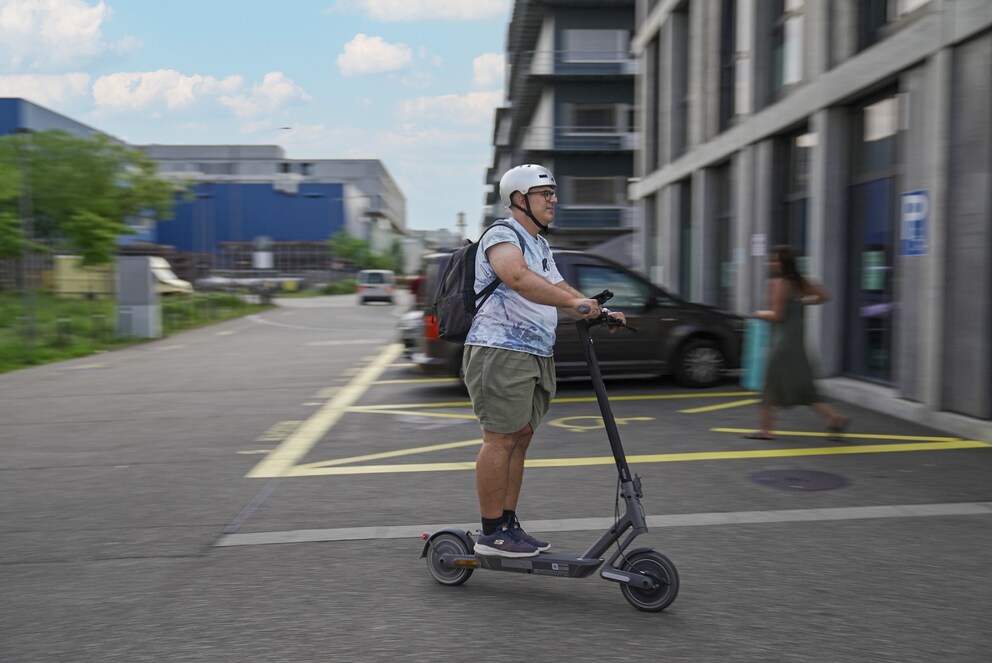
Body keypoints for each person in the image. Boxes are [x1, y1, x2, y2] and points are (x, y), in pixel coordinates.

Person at [463, 164, 625, 558]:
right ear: (519, 200)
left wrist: (593, 310)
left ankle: (508, 524)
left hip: (536, 353)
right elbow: (516, 277)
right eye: (544, 193)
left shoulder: (539, 245)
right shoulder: (503, 236)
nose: (554, 199)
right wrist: (573, 303)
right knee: (499, 439)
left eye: (553, 193)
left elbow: (558, 287)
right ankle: (490, 533)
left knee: (520, 439)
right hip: (500, 351)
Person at [747, 244, 848, 441]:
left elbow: (777, 315)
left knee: (771, 384)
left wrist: (758, 314)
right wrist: (803, 302)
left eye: (774, 259)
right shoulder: (799, 281)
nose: (771, 262)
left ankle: (766, 430)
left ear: (783, 263)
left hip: (783, 341)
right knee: (802, 386)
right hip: (796, 339)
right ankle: (835, 419)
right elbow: (824, 296)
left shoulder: (777, 284)